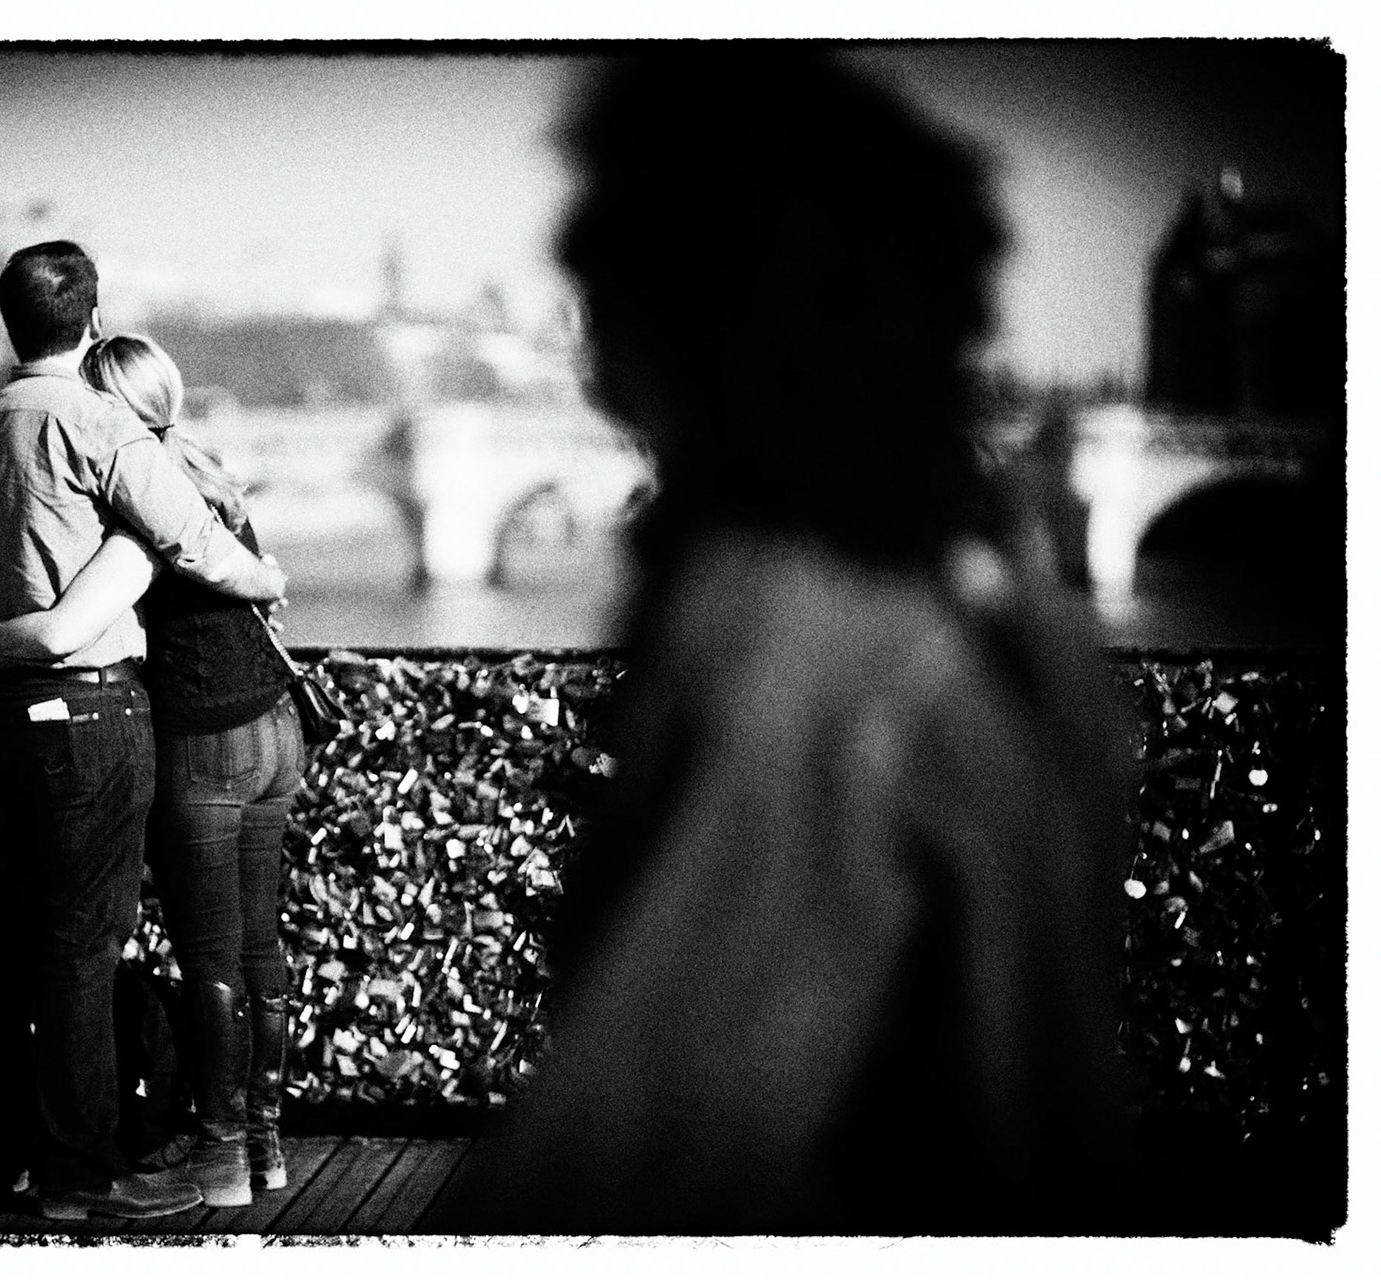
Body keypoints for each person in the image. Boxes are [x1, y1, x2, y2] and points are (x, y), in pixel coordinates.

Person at [435, 49, 1140, 1235]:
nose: (578, 312)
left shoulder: (784, 645)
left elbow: (636, 1145)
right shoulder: (994, 602)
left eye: (605, 260)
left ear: (699, 312)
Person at [0, 243, 286, 1222]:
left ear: (10, 323)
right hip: (86, 709)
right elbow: (192, 535)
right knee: (82, 947)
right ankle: (80, 1172)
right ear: (91, 318)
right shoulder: (97, 422)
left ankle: (2, 1157)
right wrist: (267, 579)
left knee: (3, 940)